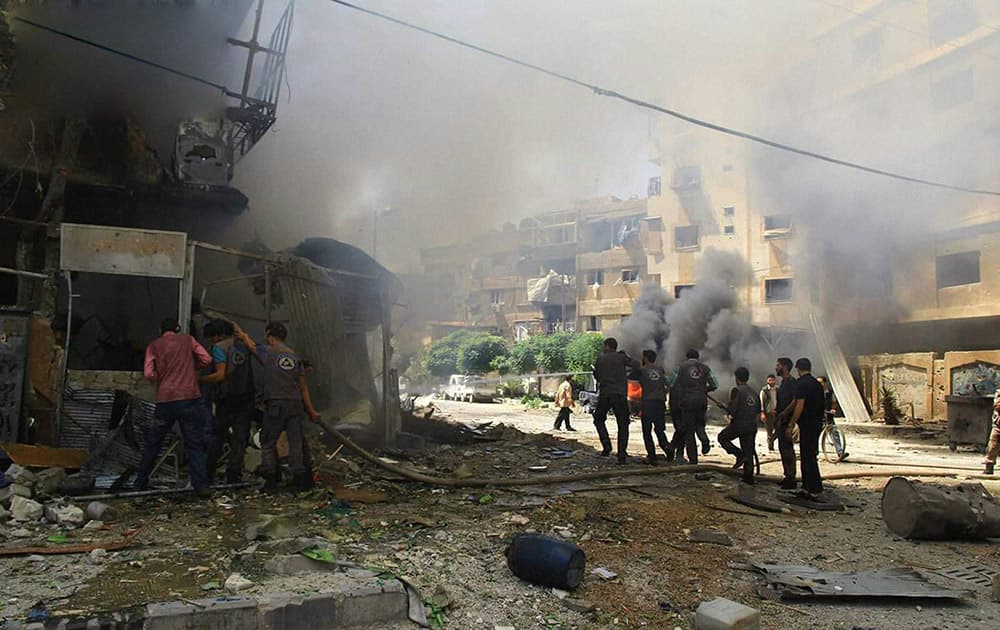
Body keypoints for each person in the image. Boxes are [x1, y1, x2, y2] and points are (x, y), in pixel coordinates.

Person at [235, 321, 321, 493]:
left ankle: (271, 481)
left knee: (268, 442)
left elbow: (252, 346)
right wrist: (311, 410)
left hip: (276, 404)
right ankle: (300, 481)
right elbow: (303, 387)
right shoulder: (294, 356)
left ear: (269, 334)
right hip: (295, 404)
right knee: (296, 443)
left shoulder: (268, 352)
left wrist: (243, 335)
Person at [136, 317, 213, 496]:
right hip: (188, 397)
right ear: (177, 329)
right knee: (194, 442)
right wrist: (193, 370)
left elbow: (148, 373)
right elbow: (207, 359)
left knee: (153, 442)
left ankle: (140, 483)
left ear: (161, 330)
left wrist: (160, 379)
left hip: (165, 399)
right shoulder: (188, 340)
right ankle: (201, 486)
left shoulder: (154, 346)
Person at [200, 319, 256, 484]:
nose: (211, 341)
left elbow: (220, 375)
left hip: (227, 399)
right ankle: (234, 475)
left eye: (211, 337)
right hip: (246, 397)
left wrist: (199, 379)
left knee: (218, 437)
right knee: (240, 438)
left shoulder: (218, 348)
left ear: (217, 335)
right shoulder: (244, 345)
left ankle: (208, 473)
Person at [666, 349, 718, 464]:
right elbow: (715, 384)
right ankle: (705, 440)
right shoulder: (705, 368)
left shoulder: (681, 367)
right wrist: (703, 389)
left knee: (689, 432)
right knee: (700, 425)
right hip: (702, 401)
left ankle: (693, 460)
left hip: (688, 401)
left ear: (687, 357)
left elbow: (670, 383)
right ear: (698, 357)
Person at [592, 337, 636, 464]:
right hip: (620, 395)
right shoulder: (622, 358)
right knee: (623, 424)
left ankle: (606, 446)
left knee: (598, 419)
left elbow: (597, 376)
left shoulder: (600, 358)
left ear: (607, 346)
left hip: (605, 394)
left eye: (604, 346)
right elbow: (636, 365)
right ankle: (621, 454)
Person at [786, 358, 826, 498]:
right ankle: (808, 487)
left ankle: (813, 488)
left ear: (798, 369)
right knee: (810, 455)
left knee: (807, 456)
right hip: (816, 423)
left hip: (807, 424)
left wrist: (791, 423)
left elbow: (799, 405)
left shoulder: (801, 383)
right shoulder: (816, 384)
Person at [718, 367, 762, 484]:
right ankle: (749, 478)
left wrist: (725, 407)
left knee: (722, 437)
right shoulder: (754, 392)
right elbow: (758, 411)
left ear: (736, 378)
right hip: (752, 425)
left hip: (740, 424)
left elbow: (733, 410)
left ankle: (739, 454)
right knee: (749, 451)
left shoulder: (736, 391)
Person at [630, 350, 670, 465]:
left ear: (646, 358)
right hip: (660, 402)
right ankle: (668, 449)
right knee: (659, 429)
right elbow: (668, 385)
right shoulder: (660, 370)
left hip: (648, 403)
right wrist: (662, 393)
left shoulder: (641, 371)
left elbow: (630, 377)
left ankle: (652, 457)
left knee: (647, 431)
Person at [774, 357, 798, 489]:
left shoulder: (791, 382)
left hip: (787, 420)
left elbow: (795, 400)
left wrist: (785, 413)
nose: (776, 368)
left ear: (785, 367)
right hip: (781, 420)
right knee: (783, 448)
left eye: (778, 365)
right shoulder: (783, 382)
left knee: (787, 449)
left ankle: (791, 478)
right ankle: (787, 476)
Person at [817, 376, 849, 461]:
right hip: (818, 417)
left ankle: (840, 452)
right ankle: (813, 453)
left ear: (825, 383)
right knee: (815, 435)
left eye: (820, 383)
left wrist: (833, 409)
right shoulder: (815, 392)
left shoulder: (830, 393)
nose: (819, 385)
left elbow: (834, 402)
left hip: (828, 416)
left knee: (835, 433)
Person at [759, 374, 778, 452]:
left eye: (772, 380)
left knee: (779, 429)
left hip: (776, 412)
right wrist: (762, 413)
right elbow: (761, 402)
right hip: (768, 413)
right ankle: (771, 446)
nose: (771, 381)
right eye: (770, 380)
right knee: (769, 430)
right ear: (767, 381)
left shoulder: (778, 389)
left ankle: (771, 440)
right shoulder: (764, 390)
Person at [983, 387, 999, 475]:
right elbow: (997, 405)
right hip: (998, 426)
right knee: (992, 446)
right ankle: (989, 466)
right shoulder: (999, 393)